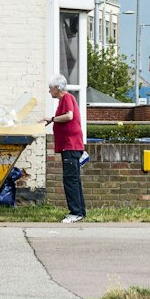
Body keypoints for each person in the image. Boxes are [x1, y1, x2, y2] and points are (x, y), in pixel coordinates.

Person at [45, 74, 87, 223]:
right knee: (74, 179)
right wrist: (50, 121)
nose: (49, 91)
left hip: (70, 145)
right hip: (70, 145)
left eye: (50, 88)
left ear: (57, 88)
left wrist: (52, 119)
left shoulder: (67, 98)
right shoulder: (65, 100)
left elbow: (69, 116)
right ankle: (80, 212)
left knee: (70, 180)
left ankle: (75, 213)